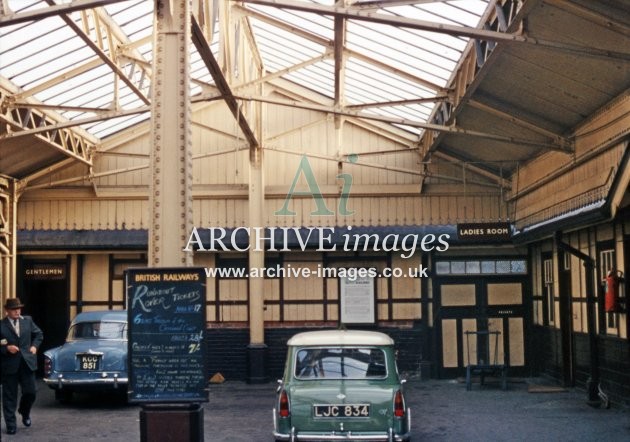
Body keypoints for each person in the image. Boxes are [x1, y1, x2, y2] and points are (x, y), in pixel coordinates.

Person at [0, 298, 44, 435]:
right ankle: (11, 425)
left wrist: (34, 347)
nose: (17, 311)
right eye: (14, 309)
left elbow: (39, 334)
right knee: (9, 397)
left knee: (31, 392)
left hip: (27, 363)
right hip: (9, 366)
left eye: (19, 308)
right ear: (7, 310)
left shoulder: (27, 320)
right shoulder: (1, 325)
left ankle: (24, 412)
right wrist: (7, 348)